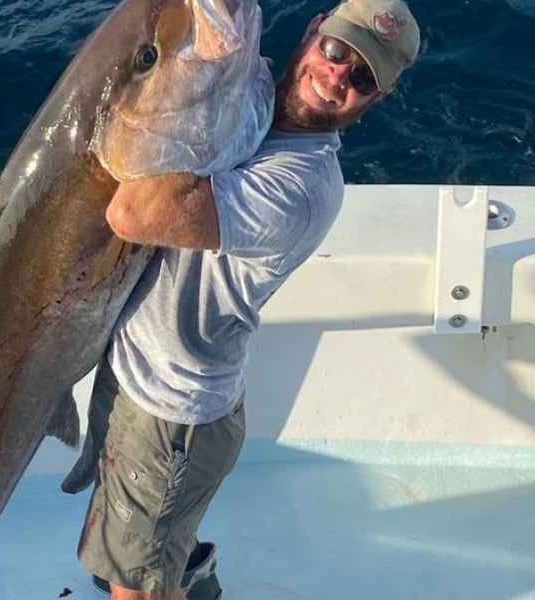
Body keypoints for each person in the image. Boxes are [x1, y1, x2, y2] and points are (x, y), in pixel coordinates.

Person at [62, 0, 420, 599]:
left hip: (174, 410)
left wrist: (186, 89)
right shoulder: (251, 95)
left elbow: (131, 213)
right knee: (131, 548)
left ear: (374, 100)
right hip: (133, 369)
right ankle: (184, 569)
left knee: (134, 584)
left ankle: (163, 576)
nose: (337, 78)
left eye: (362, 78)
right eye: (336, 52)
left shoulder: (302, 187)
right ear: (312, 33)